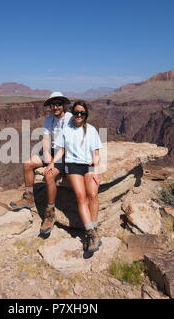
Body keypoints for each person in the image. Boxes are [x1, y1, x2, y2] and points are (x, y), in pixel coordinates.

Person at [10, 92, 72, 234]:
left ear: (63, 105)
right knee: (27, 164)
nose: (55, 107)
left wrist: (53, 162)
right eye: (53, 104)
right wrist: (46, 155)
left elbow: (68, 143)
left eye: (58, 104)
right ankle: (29, 198)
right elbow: (45, 139)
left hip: (65, 154)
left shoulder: (69, 119)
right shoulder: (48, 120)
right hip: (51, 151)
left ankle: (50, 213)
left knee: (49, 175)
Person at [45, 100, 103, 253]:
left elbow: (96, 154)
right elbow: (61, 149)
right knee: (81, 197)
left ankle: (94, 229)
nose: (78, 115)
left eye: (82, 113)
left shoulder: (91, 130)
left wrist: (95, 171)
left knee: (93, 195)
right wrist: (52, 163)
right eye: (76, 112)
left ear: (85, 115)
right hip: (72, 166)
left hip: (89, 165)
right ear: (73, 113)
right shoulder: (67, 129)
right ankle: (90, 233)